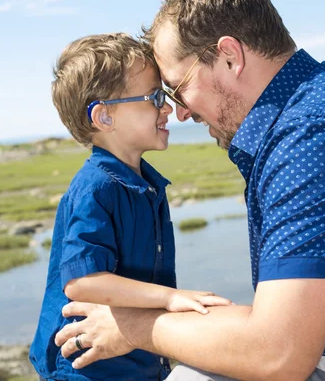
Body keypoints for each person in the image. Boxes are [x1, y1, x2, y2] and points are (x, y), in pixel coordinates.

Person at [53, 0, 325, 381]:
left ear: (229, 57)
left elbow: (277, 354)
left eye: (177, 89)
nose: (180, 112)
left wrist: (132, 326)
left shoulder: (318, 136)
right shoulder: (309, 112)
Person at [29, 33, 232, 381]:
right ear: (104, 117)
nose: (167, 108)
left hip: (135, 359)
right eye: (155, 97)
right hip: (89, 368)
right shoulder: (97, 187)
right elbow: (82, 281)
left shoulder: (147, 184)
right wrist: (170, 299)